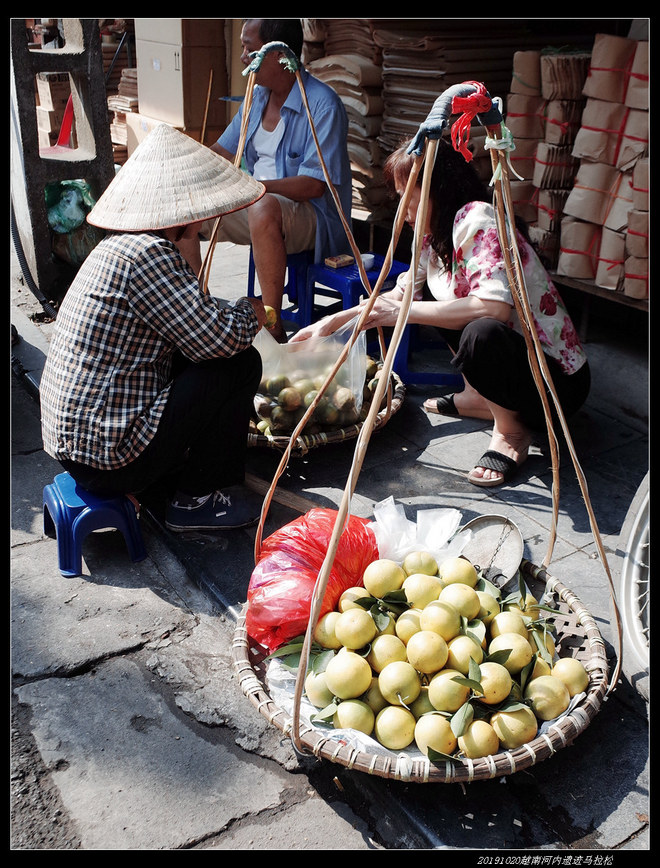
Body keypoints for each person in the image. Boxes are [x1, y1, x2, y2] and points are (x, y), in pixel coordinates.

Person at [291, 137, 590, 488]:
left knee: (480, 331)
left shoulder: (478, 218)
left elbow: (494, 308)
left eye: (409, 196)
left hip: (554, 385)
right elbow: (398, 296)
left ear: (439, 189)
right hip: (517, 371)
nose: (403, 208)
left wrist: (404, 311)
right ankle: (478, 396)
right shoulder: (433, 236)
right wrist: (330, 323)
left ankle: (511, 433)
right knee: (435, 298)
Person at [40, 123, 271, 532]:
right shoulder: (149, 254)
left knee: (196, 357)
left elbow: (188, 323)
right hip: (108, 459)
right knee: (239, 362)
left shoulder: (116, 246)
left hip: (74, 448)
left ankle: (183, 470)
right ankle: (199, 498)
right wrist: (252, 311)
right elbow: (217, 339)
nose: (199, 224)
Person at [207, 18, 352, 343]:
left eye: (250, 50)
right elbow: (222, 152)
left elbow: (314, 185)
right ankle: (192, 311)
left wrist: (255, 189)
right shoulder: (256, 97)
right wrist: (183, 166)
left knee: (263, 206)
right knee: (187, 211)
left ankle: (272, 324)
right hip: (258, 205)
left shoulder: (322, 105)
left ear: (279, 55)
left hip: (312, 215)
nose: (243, 57)